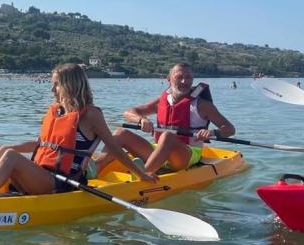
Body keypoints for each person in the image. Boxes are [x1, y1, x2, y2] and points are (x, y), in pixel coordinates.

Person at [0, 63, 155, 199]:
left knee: (10, 157)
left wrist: (140, 174)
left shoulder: (91, 115)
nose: (52, 89)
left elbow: (115, 148)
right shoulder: (58, 112)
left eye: (56, 84)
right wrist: (5, 147)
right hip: (41, 174)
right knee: (6, 153)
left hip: (61, 183)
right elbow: (41, 144)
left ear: (70, 86)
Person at [96, 62, 235, 175]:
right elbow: (128, 112)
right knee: (120, 133)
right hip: (158, 150)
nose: (184, 81)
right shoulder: (161, 101)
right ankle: (94, 169)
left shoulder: (203, 105)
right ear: (169, 79)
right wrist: (141, 120)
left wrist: (211, 133)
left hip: (186, 155)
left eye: (188, 78)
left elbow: (229, 129)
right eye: (179, 77)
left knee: (167, 136)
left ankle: (144, 174)